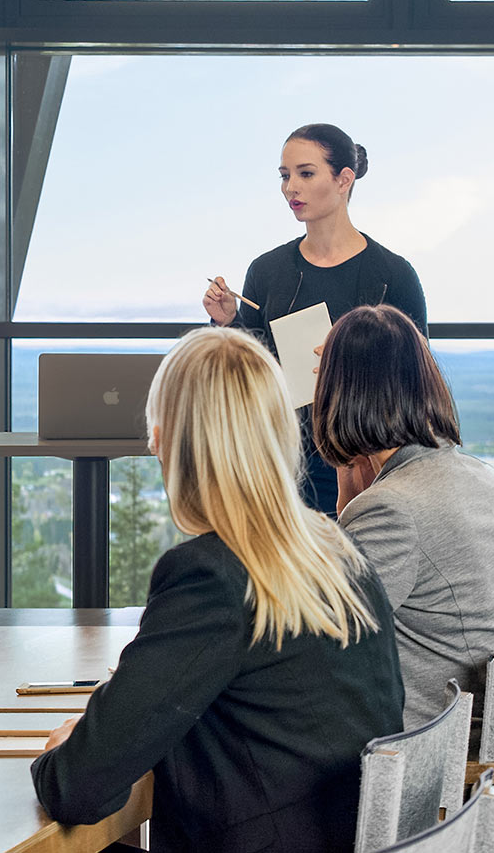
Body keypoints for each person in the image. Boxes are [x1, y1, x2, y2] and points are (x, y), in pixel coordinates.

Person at [30, 327, 403, 852]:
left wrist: (67, 749)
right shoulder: (337, 553)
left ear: (164, 442)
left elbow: (77, 788)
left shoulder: (212, 577)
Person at [312, 303, 494, 727]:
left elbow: (320, 639)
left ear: (344, 393)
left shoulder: (393, 508)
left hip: (432, 760)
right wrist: (348, 504)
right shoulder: (482, 477)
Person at [203, 122, 426, 515]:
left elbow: (418, 380)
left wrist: (349, 366)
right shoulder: (268, 270)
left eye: (306, 174)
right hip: (285, 464)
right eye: (285, 176)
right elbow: (252, 370)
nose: (291, 187)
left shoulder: (392, 274)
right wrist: (228, 323)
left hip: (368, 466)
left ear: (344, 179)